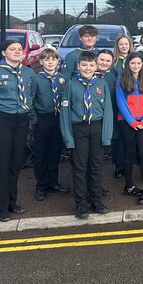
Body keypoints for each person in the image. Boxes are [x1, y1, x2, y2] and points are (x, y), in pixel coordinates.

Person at [0, 39, 36, 222]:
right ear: (3, 53)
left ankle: (12, 202)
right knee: (2, 164)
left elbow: (31, 94)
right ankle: (1, 207)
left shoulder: (28, 72)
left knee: (15, 163)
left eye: (20, 49)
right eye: (12, 49)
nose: (17, 52)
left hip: (22, 118)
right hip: (1, 119)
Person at [60, 50, 113, 220]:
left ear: (96, 66)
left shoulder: (100, 84)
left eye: (91, 65)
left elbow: (108, 111)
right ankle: (80, 204)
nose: (88, 68)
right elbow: (65, 113)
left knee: (96, 166)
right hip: (79, 129)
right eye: (84, 65)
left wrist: (106, 136)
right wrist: (68, 138)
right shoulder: (71, 85)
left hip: (96, 127)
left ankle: (95, 200)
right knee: (80, 167)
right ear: (78, 66)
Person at [30, 48, 69, 202]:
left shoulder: (63, 79)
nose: (50, 62)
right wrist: (34, 118)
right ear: (41, 62)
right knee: (41, 153)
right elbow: (30, 100)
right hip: (43, 118)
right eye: (46, 59)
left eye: (53, 59)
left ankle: (53, 182)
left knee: (55, 152)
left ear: (57, 61)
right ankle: (41, 186)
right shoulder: (36, 79)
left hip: (59, 118)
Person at [115, 52, 143, 205]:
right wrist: (131, 121)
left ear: (142, 64)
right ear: (128, 64)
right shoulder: (121, 79)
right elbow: (120, 102)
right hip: (126, 122)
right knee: (128, 153)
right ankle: (129, 185)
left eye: (138, 63)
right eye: (132, 63)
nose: (136, 66)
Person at [96, 49, 122, 180]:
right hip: (96, 118)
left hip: (112, 115)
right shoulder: (89, 75)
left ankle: (118, 167)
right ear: (96, 60)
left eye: (107, 61)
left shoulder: (113, 76)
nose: (104, 63)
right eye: (101, 60)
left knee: (116, 142)